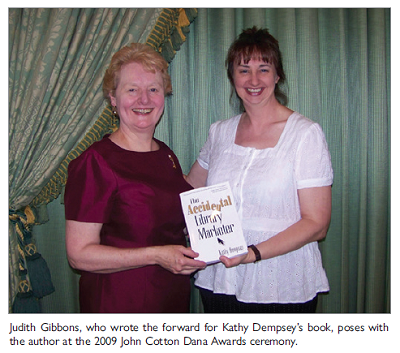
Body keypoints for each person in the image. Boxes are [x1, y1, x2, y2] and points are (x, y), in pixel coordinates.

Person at [186, 27, 333, 313]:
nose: (254, 80)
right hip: (221, 279)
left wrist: (252, 254)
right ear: (232, 76)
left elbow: (317, 223)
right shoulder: (219, 132)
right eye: (244, 70)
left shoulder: (305, 134)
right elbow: (191, 189)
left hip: (281, 283)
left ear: (277, 76)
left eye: (263, 69)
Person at [64, 43, 206, 313]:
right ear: (113, 99)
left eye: (153, 89)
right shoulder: (95, 162)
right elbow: (79, 255)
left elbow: (162, 219)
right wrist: (156, 254)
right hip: (120, 304)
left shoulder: (166, 155)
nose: (144, 100)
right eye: (132, 90)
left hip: (170, 297)